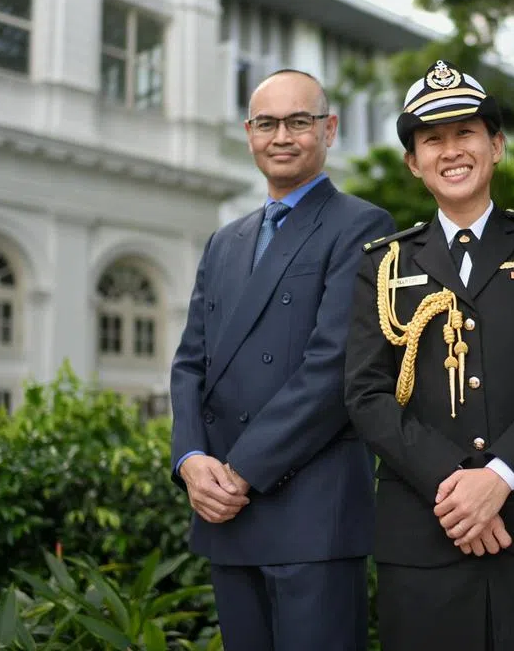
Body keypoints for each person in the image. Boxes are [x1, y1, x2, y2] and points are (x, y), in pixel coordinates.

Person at [344, 60, 514, 651]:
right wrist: (457, 483)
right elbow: (365, 393)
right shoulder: (383, 263)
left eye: (466, 133)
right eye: (432, 139)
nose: (451, 150)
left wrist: (501, 476)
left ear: (496, 146)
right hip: (425, 532)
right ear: (413, 162)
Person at [169, 69, 396, 651]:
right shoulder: (225, 240)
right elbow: (190, 363)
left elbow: (332, 366)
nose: (282, 136)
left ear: (329, 130)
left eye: (300, 122)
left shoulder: (363, 225)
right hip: (224, 509)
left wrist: (239, 472)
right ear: (248, 133)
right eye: (267, 123)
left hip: (310, 509)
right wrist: (193, 460)